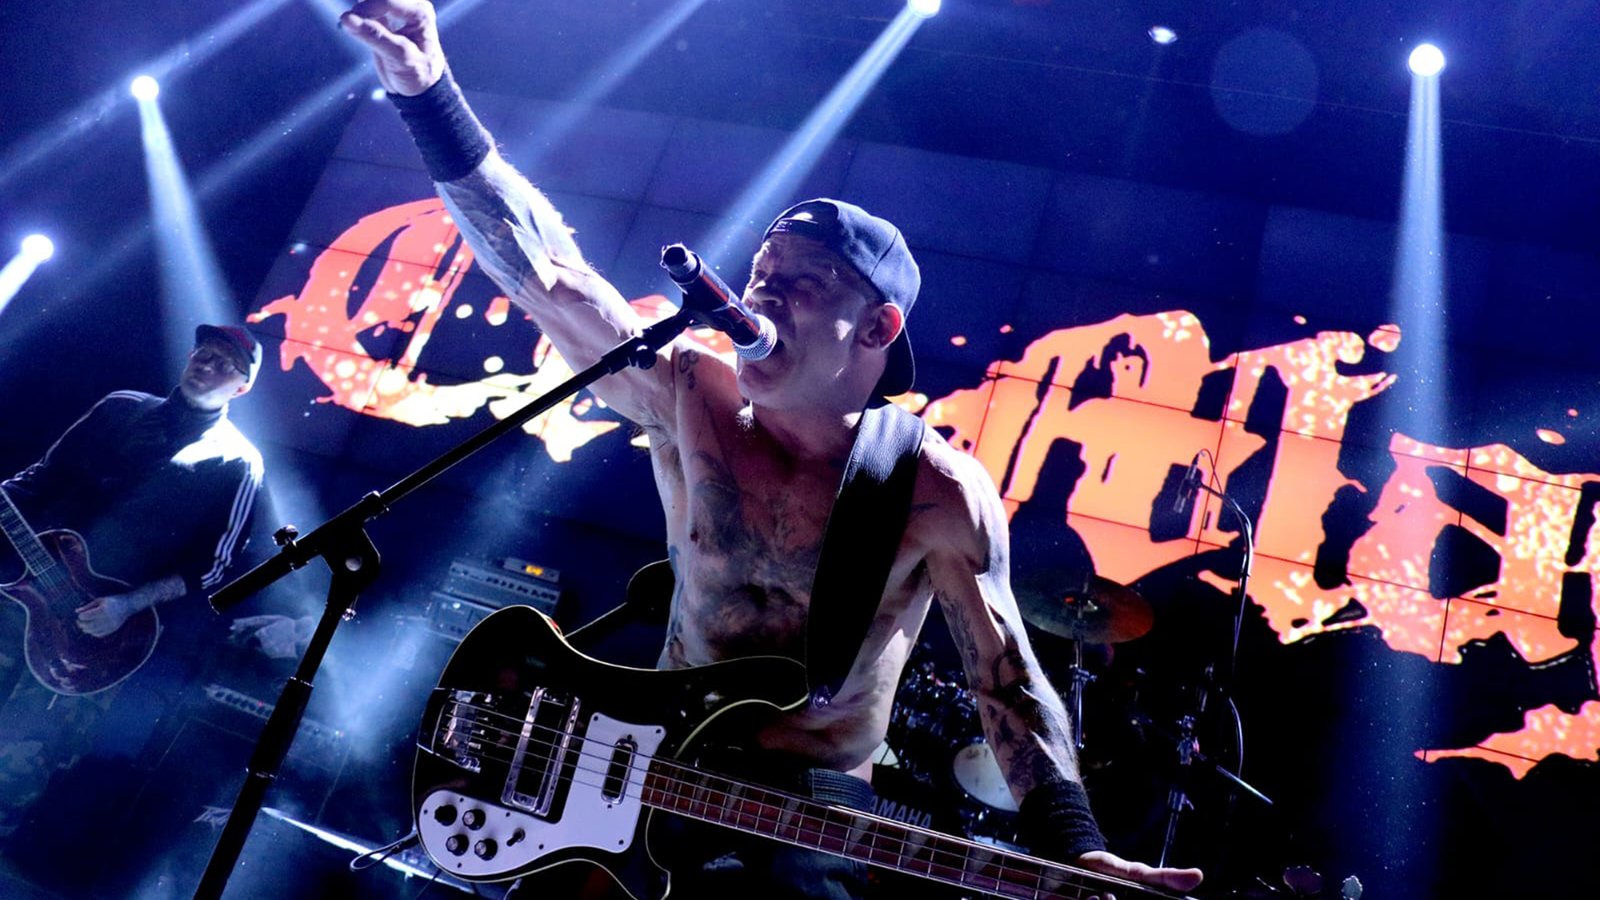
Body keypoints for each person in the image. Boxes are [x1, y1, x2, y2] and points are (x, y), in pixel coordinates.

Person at [341, 2, 1204, 896]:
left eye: (803, 283)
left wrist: (1074, 846)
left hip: (804, 808)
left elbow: (1005, 680)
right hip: (647, 774)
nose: (762, 297)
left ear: (877, 327)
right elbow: (551, 279)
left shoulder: (932, 489)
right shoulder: (692, 396)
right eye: (759, 277)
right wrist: (429, 94)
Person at [0, 324, 265, 850]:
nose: (206, 364)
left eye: (224, 363)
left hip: (98, 634)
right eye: (203, 352)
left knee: (20, 760)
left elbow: (214, 567)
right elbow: (39, 480)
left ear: (242, 386)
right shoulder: (119, 408)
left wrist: (127, 605)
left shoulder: (238, 462)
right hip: (23, 593)